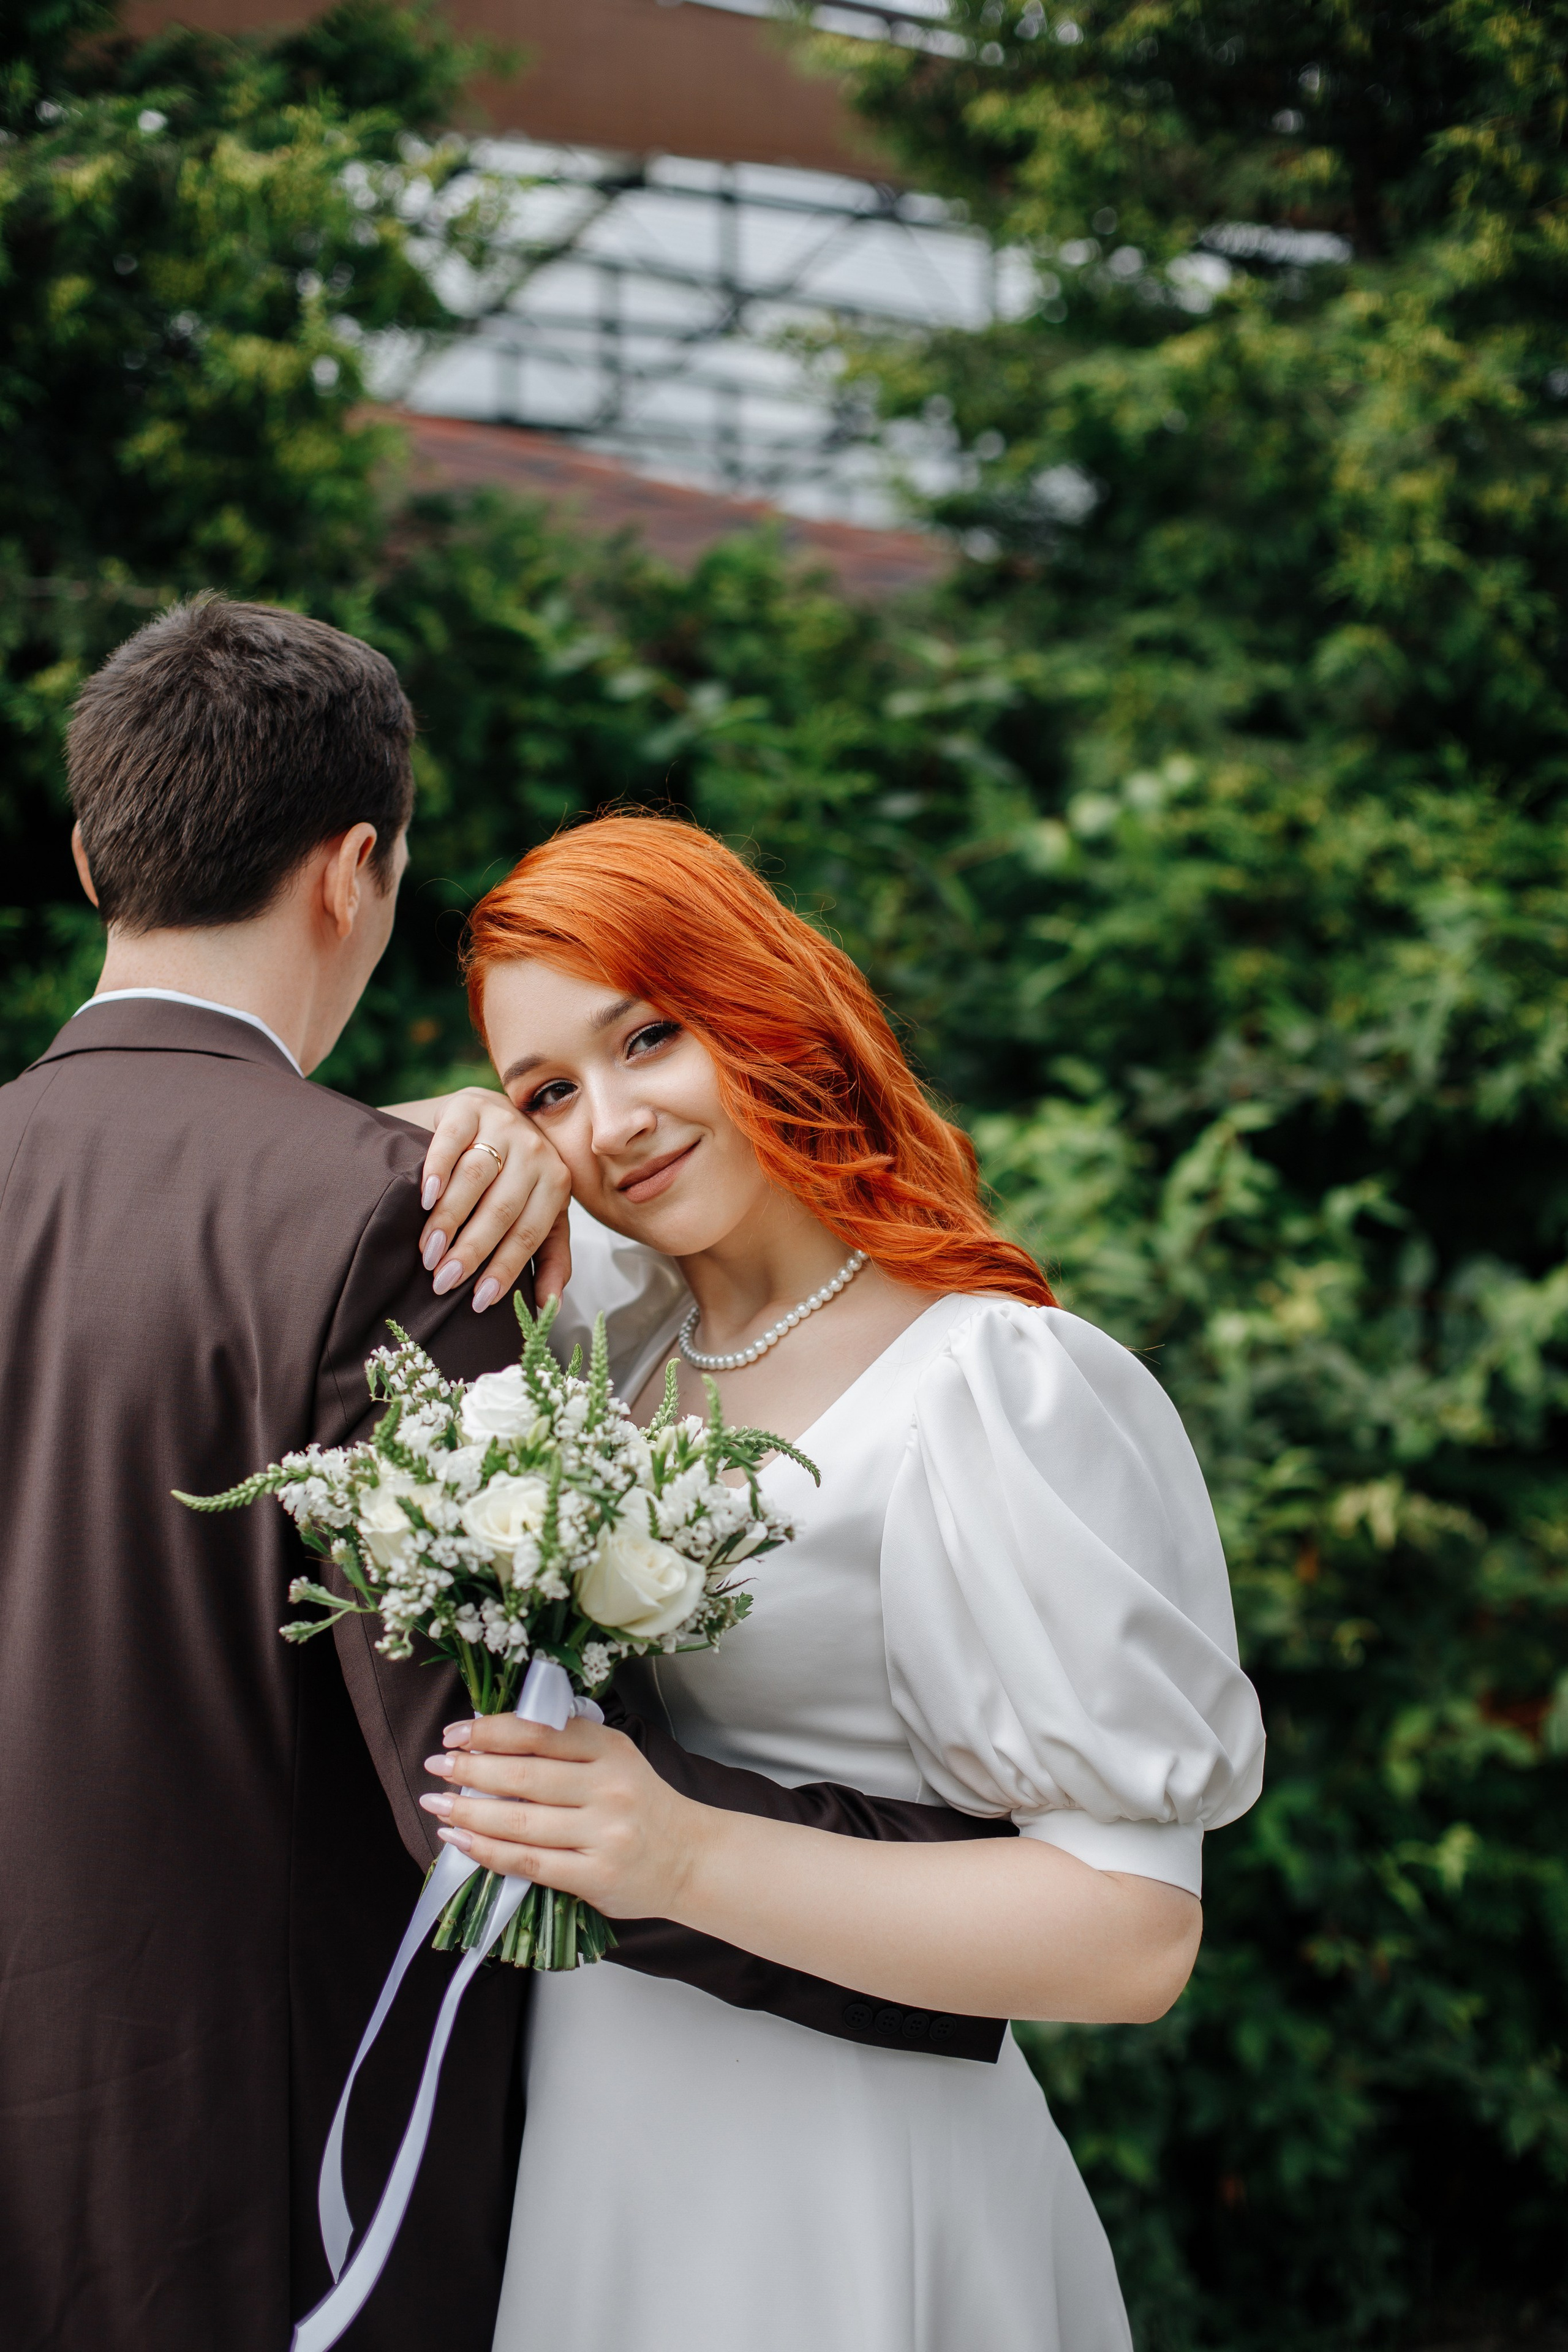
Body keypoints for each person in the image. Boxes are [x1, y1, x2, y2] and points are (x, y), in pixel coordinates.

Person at [0, 598, 1021, 2352]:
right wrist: (956, 1905)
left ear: (93, 862)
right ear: (357, 874)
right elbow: (486, 1792)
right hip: (273, 2192)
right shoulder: (388, 1226)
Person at [399, 815, 1267, 2352]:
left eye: (647, 1037)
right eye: (549, 1092)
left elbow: (1135, 1938)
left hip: (847, 2165)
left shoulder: (997, 1385)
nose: (611, 1124)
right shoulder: (600, 1347)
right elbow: (337, 1173)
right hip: (592, 2145)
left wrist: (674, 1855)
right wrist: (465, 1126)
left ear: (756, 1008)